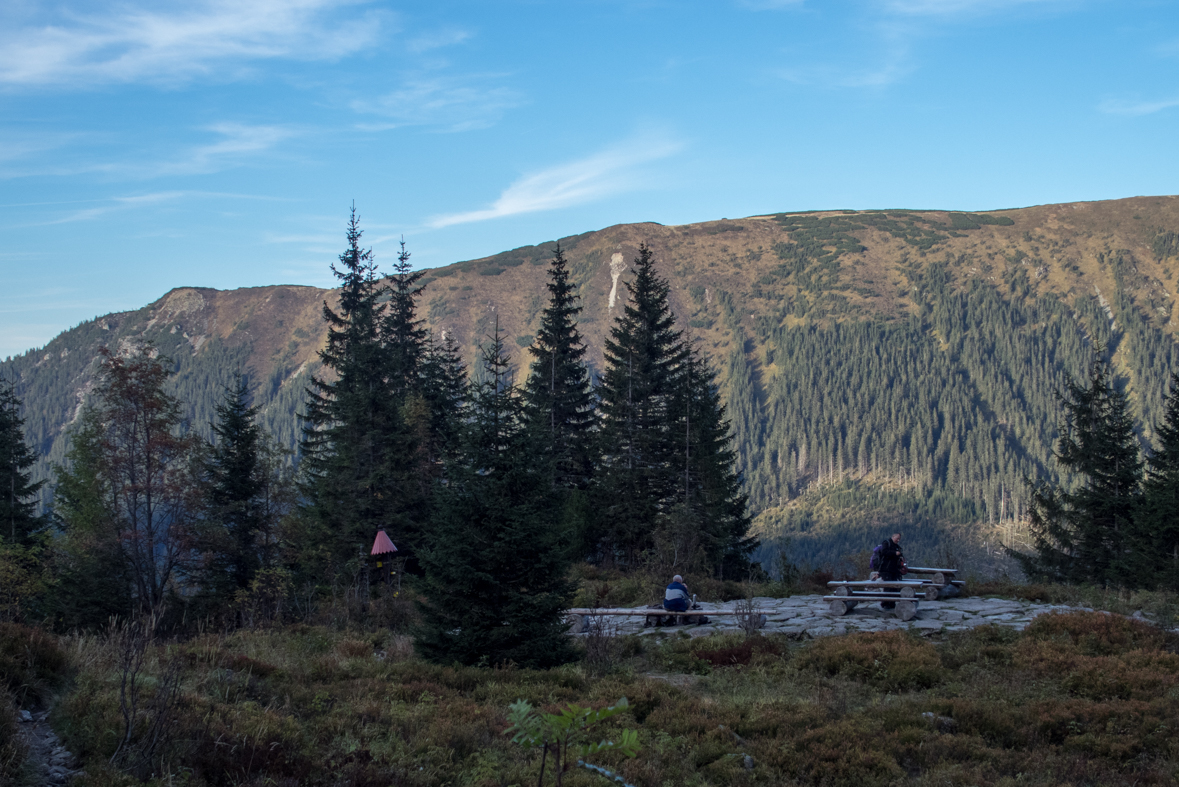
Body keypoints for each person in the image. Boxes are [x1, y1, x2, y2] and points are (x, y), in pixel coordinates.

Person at [877, 533, 904, 609]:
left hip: (894, 570)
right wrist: (894, 553)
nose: (898, 540)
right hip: (885, 569)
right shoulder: (886, 543)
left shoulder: (897, 547)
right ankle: (885, 604)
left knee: (894, 587)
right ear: (893, 536)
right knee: (887, 587)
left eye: (899, 539)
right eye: (897, 538)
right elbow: (884, 552)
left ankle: (892, 603)